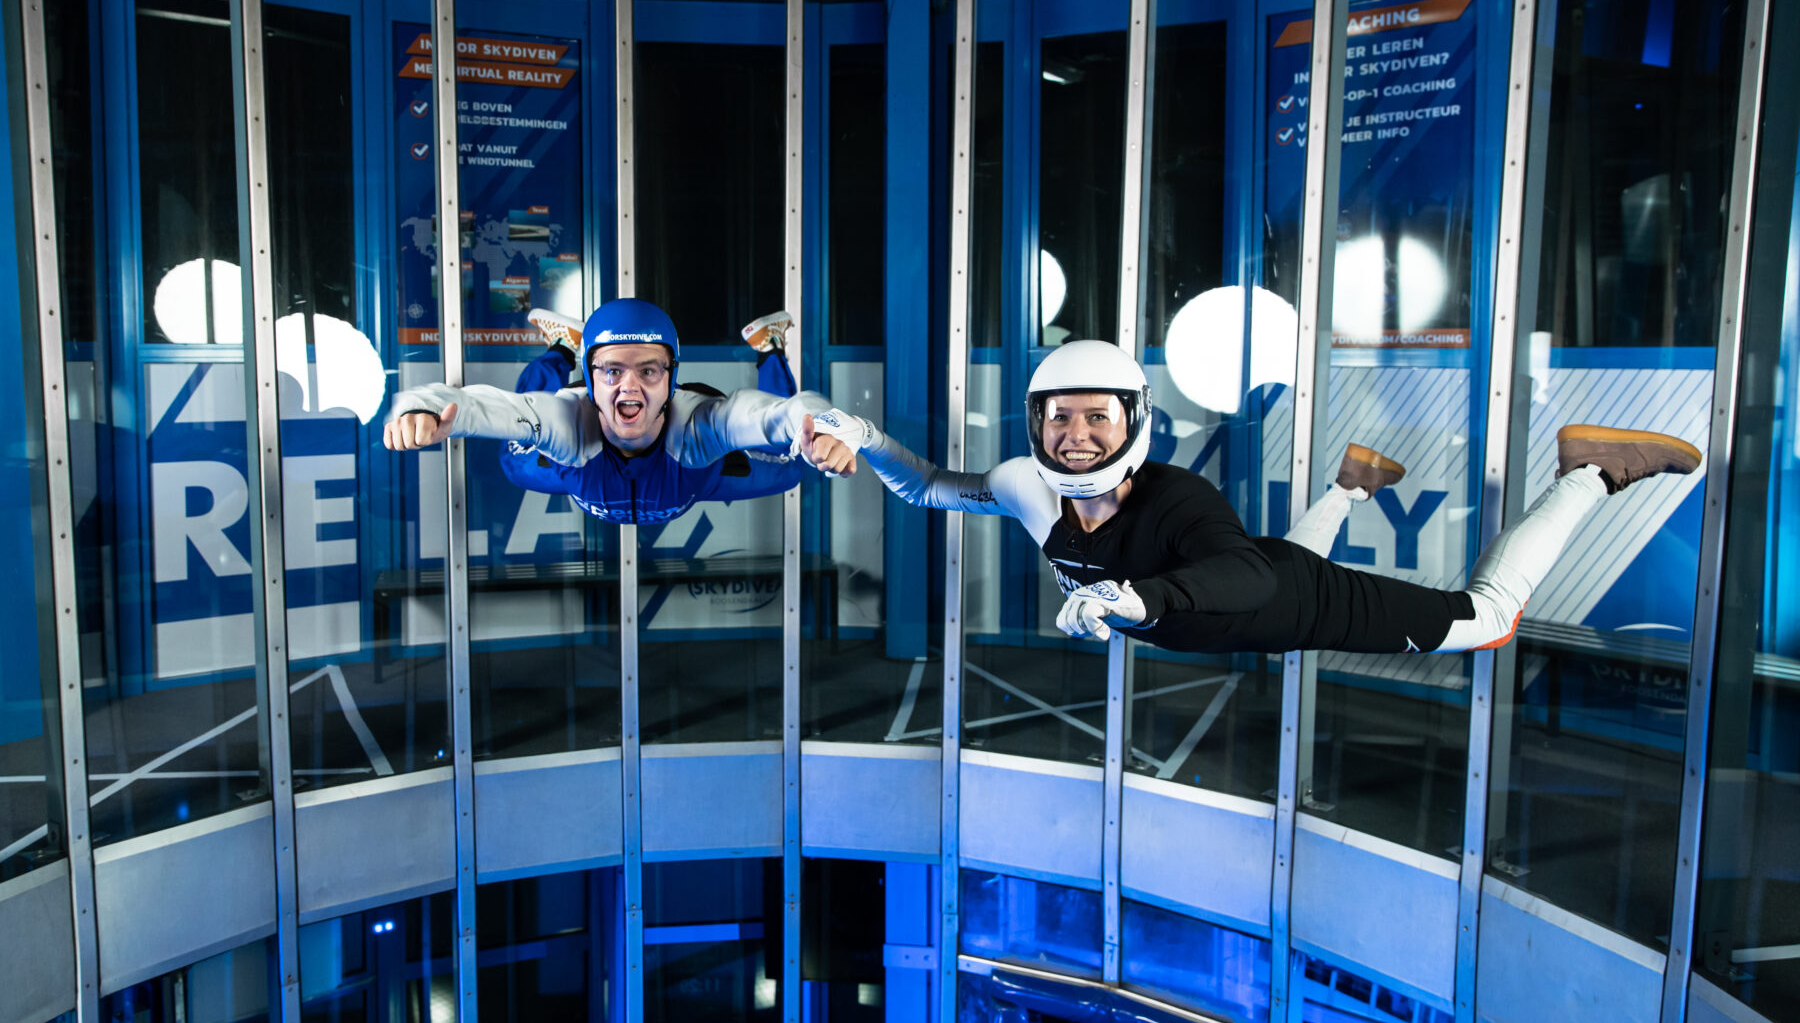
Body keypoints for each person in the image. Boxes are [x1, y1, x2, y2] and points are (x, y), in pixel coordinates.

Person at [808, 340, 1701, 655]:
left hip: (1290, 607)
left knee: (1487, 618)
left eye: (1097, 418)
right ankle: (1351, 481)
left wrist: (1138, 598)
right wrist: (864, 437)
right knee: (1296, 547)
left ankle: (1592, 468)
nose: (1075, 436)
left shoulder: (1179, 499)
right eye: (1058, 418)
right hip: (1252, 587)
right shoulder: (1020, 484)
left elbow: (1246, 576)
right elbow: (927, 489)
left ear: (1135, 421)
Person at [382, 299, 854, 524]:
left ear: (672, 376)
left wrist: (827, 430)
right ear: (589, 380)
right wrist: (416, 405)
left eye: (649, 370)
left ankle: (769, 347)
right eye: (610, 371)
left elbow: (786, 414)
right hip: (581, 473)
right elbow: (484, 406)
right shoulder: (569, 421)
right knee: (513, 458)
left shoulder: (699, 426)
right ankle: (562, 350)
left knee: (794, 463)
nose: (629, 386)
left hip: (699, 479)